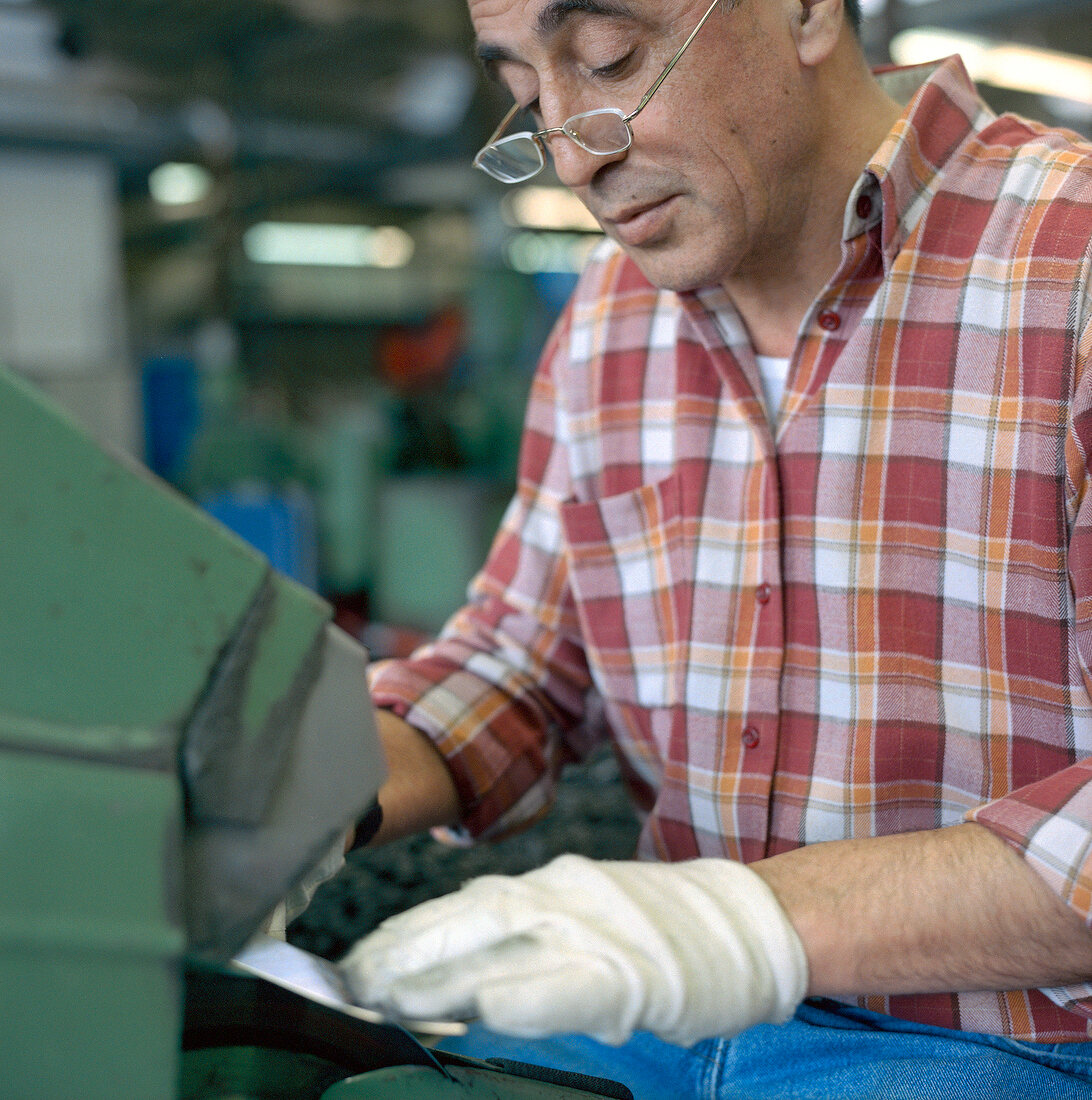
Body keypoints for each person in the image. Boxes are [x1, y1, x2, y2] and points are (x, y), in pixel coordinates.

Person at [338, 0, 1092, 1094]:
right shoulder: (608, 321)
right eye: (523, 93)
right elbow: (517, 666)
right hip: (668, 1022)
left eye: (611, 59)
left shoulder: (1070, 273)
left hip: (1015, 1036)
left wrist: (744, 922)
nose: (571, 154)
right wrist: (312, 785)